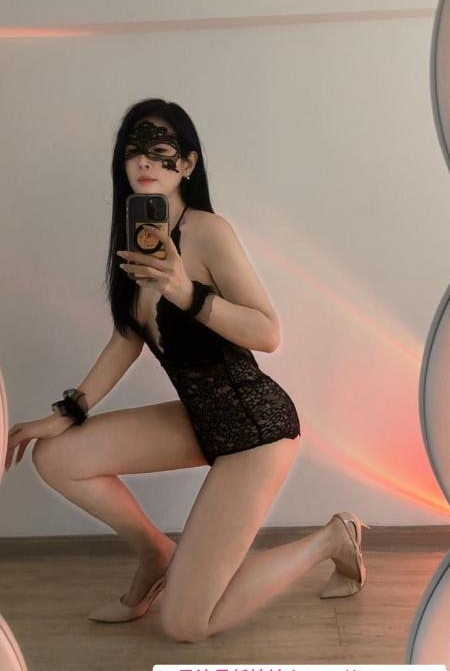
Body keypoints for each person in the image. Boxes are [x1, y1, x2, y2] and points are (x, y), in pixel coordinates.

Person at [6, 99, 369, 644]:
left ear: (188, 164)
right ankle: (156, 553)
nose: (145, 161)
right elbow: (128, 337)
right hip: (200, 418)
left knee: (185, 624)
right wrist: (68, 411)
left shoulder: (207, 232)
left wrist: (186, 292)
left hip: (255, 428)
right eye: (134, 150)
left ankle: (333, 539)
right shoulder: (136, 235)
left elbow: (268, 333)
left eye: (161, 150)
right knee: (55, 455)